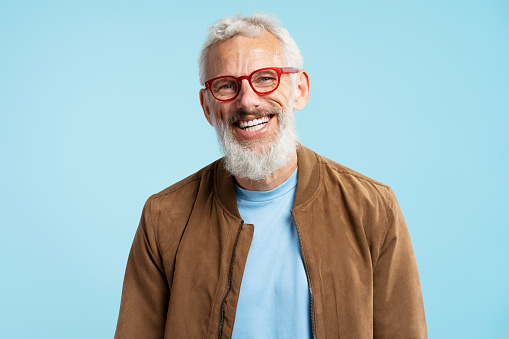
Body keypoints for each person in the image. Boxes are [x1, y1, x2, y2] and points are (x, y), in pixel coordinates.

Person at [114, 12, 427, 339]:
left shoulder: (374, 210)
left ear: (300, 90)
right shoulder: (163, 218)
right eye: (226, 85)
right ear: (207, 106)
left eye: (265, 78)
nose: (247, 101)